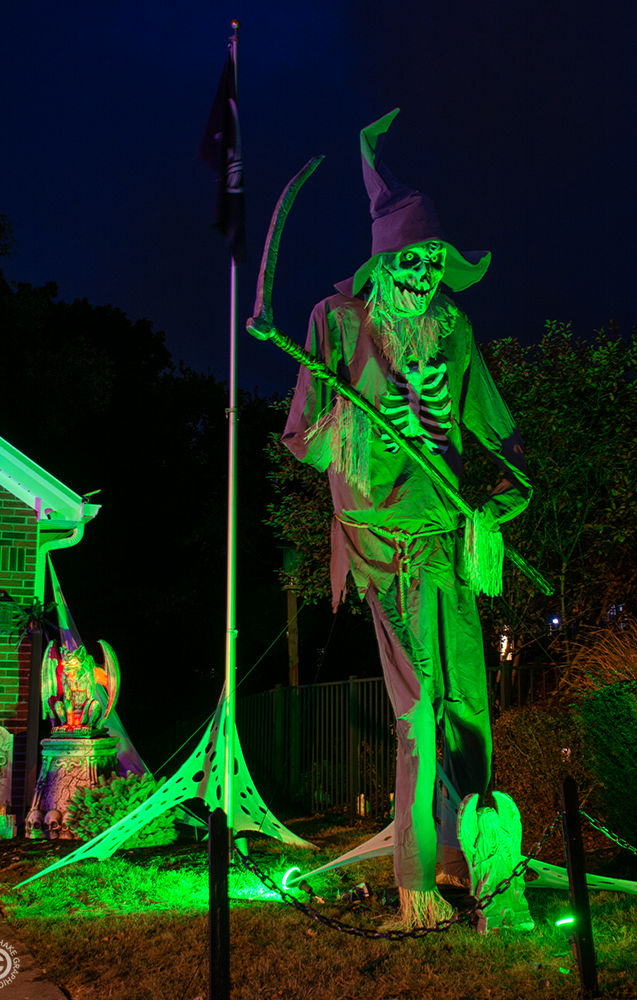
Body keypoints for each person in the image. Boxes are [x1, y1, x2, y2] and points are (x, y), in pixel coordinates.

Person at [282, 109, 532, 927]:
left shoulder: (453, 332)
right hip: (381, 544)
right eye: (408, 258)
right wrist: (351, 423)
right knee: (416, 713)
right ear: (381, 263)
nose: (422, 271)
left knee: (466, 709)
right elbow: (302, 439)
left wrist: (495, 506)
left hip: (447, 543)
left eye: (433, 258)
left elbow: (508, 446)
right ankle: (414, 882)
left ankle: (481, 868)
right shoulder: (335, 321)